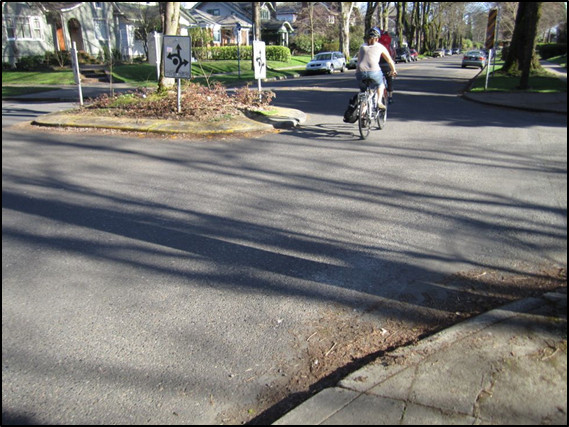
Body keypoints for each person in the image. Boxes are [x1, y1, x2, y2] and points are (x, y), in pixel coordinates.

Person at [356, 27, 397, 110]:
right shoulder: (380, 47)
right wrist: (393, 70)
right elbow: (389, 61)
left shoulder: (362, 46)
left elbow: (359, 60)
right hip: (374, 71)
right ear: (377, 38)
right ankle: (379, 102)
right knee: (380, 84)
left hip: (360, 73)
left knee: (364, 92)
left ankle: (363, 112)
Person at [378, 29, 396, 104]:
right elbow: (393, 53)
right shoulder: (389, 43)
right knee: (389, 79)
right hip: (387, 63)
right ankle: (390, 97)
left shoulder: (378, 43)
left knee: (378, 80)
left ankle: (379, 95)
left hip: (378, 63)